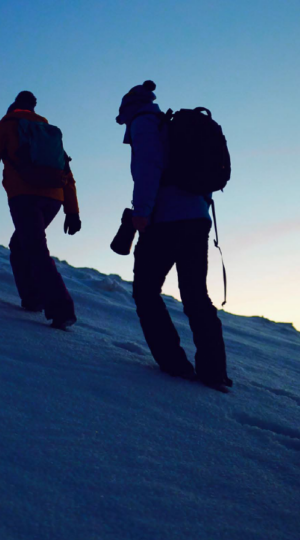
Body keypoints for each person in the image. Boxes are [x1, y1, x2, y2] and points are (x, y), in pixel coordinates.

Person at [116, 80, 231, 391]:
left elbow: (149, 166)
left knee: (145, 290)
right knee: (195, 294)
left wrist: (141, 211)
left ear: (128, 110)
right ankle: (214, 371)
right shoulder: (173, 126)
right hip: (197, 218)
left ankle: (174, 364)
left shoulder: (144, 123)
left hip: (165, 220)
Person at [0, 91, 81, 330]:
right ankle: (32, 299)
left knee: (35, 249)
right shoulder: (49, 132)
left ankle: (61, 310)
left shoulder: (8, 125)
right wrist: (72, 211)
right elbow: (67, 172)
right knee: (20, 246)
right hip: (54, 199)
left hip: (24, 196)